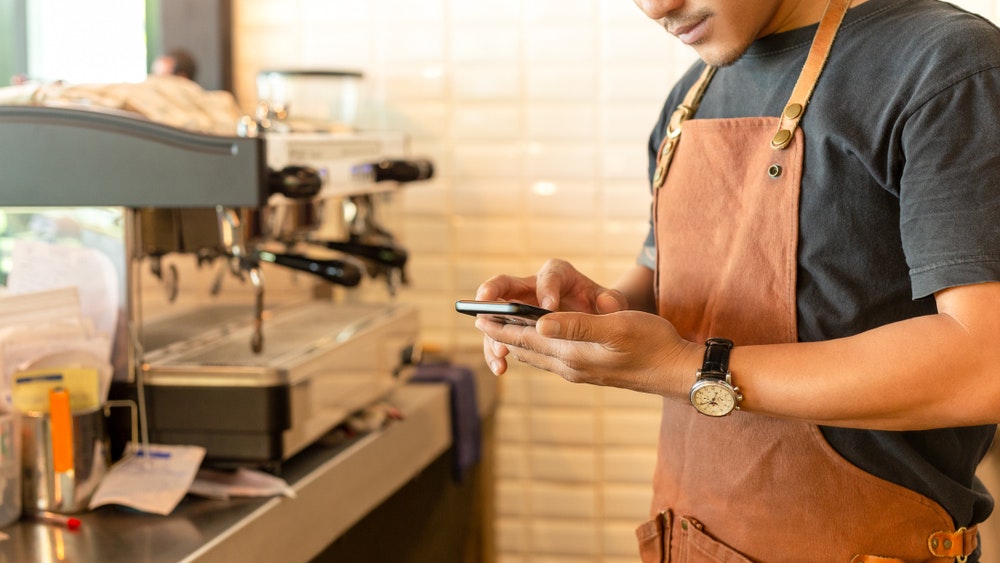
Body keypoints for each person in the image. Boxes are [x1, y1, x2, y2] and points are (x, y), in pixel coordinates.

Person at [471, 0, 1000, 561]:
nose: (657, 8)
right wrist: (598, 310)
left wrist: (689, 369)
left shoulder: (944, 64)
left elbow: (983, 363)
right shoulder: (689, 99)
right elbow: (670, 280)